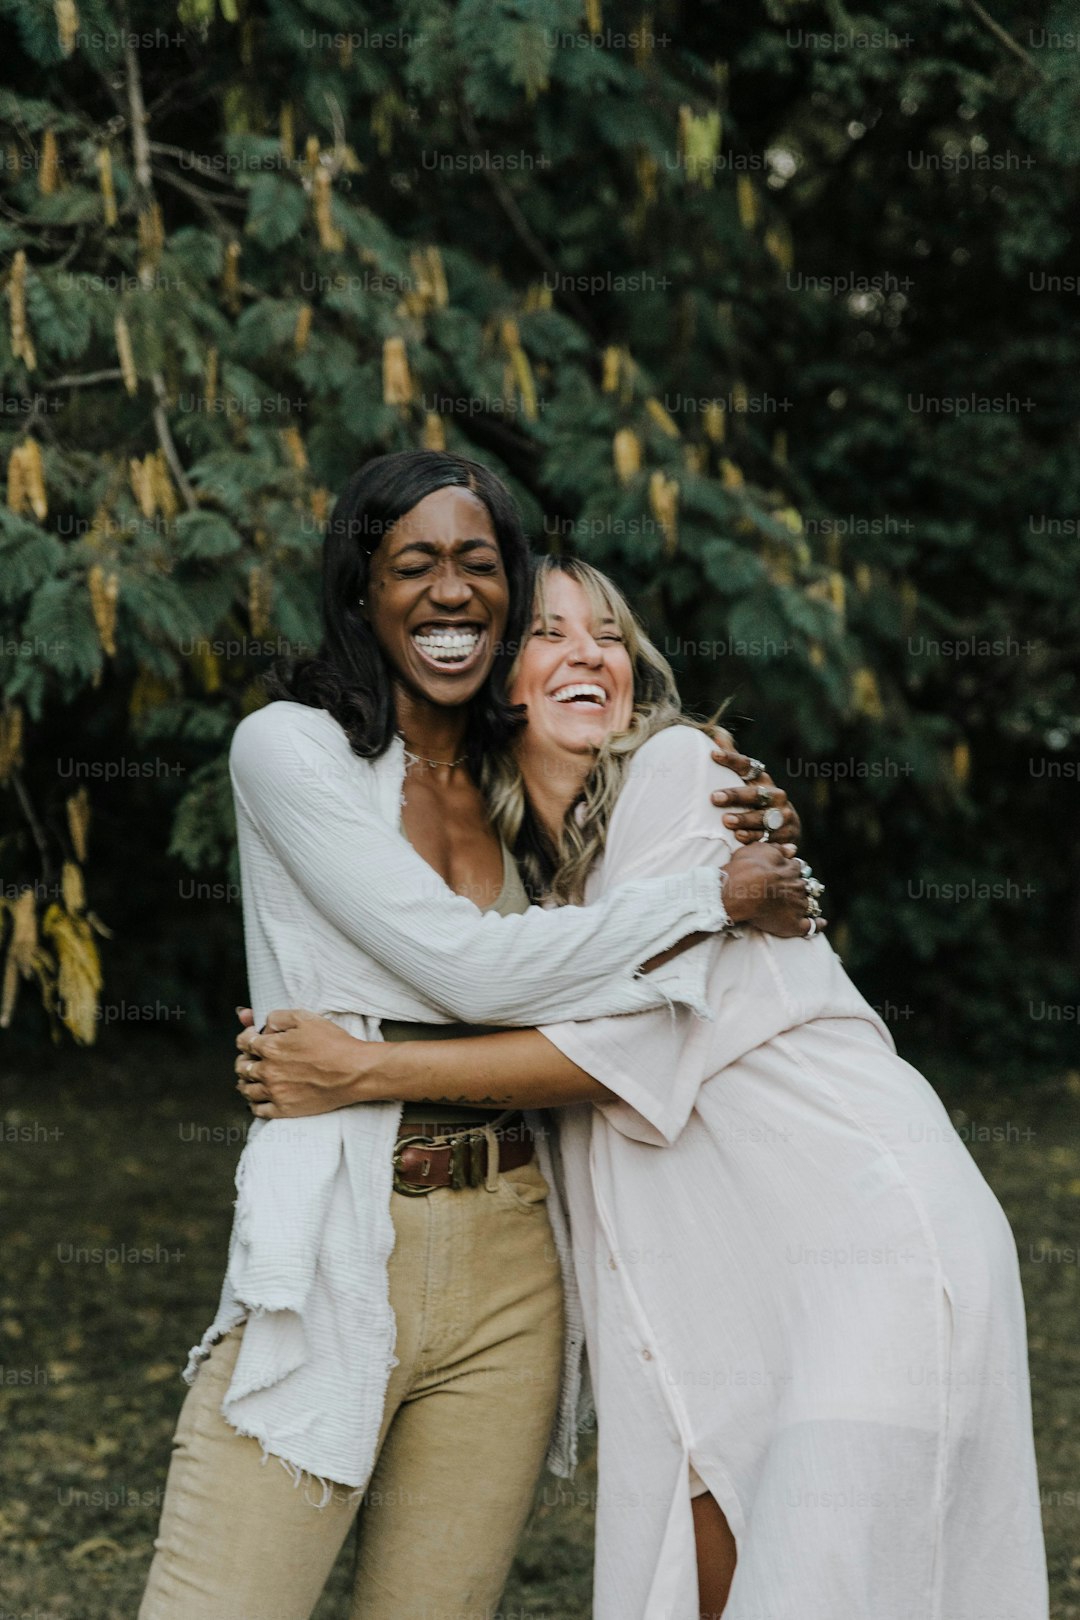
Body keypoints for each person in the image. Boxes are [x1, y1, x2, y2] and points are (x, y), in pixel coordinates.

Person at [237, 557, 1049, 1620]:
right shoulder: (534, 881)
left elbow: (625, 1052)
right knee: (708, 1575)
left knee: (830, 1582)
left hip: (863, 1246)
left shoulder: (685, 774)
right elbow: (464, 970)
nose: (589, 652)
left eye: (609, 633)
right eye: (551, 632)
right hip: (713, 1282)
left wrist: (359, 1073)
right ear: (498, 685)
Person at [138, 451, 813, 1620]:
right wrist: (713, 898)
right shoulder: (291, 751)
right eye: (414, 563)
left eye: (478, 564)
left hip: (514, 1260)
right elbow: (465, 964)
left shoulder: (525, 787)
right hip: (343, 1235)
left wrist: (743, 811)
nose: (450, 591)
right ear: (361, 589)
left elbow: (643, 911)